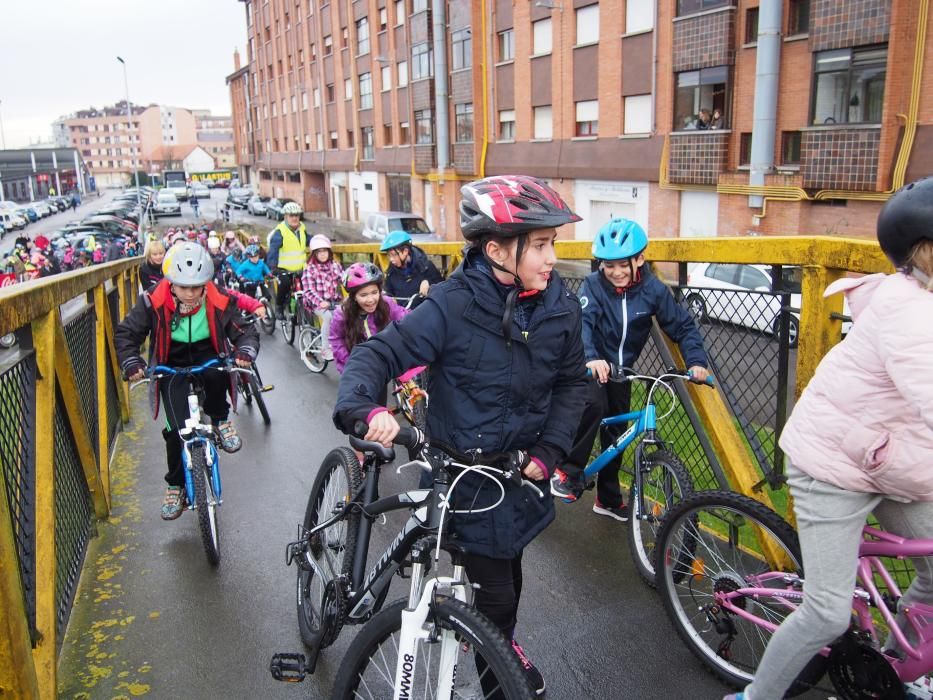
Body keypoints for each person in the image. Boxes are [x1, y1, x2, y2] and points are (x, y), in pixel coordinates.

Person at [333, 175, 590, 695]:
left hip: (517, 472)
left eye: (552, 244)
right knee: (496, 592)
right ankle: (499, 661)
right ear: (496, 250)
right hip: (461, 474)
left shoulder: (560, 308)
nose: (550, 258)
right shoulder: (452, 306)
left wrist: (549, 450)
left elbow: (571, 384)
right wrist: (365, 406)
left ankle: (498, 642)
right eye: (539, 245)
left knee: (508, 574)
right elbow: (378, 353)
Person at [723, 177, 933, 700]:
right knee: (827, 611)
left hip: (893, 461)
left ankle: (893, 666)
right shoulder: (909, 313)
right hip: (833, 465)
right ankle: (753, 697)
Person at [549, 218, 709, 519]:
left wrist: (696, 362)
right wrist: (591, 358)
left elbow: (683, 326)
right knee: (592, 404)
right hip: (589, 365)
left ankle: (608, 499)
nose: (616, 272)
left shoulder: (653, 290)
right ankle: (566, 471)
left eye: (623, 264)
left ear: (640, 259)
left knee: (617, 435)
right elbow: (584, 322)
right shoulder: (593, 286)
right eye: (608, 265)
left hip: (623, 371)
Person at [114, 243, 259, 520]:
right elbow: (127, 335)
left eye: (197, 287)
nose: (191, 294)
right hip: (171, 362)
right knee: (175, 431)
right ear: (170, 283)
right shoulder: (152, 301)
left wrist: (244, 351)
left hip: (208, 353)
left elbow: (245, 330)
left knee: (217, 374)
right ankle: (175, 485)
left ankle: (219, 420)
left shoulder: (218, 299)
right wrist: (132, 362)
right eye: (183, 287)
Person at [329, 262, 406, 376]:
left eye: (374, 292)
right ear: (354, 297)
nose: (370, 300)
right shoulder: (342, 314)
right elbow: (336, 340)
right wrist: (351, 364)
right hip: (356, 371)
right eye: (363, 295)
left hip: (381, 366)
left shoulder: (386, 304)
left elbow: (405, 317)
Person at [301, 234, 343, 362]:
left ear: (329, 252)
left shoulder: (335, 266)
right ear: (314, 254)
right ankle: (325, 349)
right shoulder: (310, 269)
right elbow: (308, 290)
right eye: (319, 252)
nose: (323, 254)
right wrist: (320, 302)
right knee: (328, 317)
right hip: (316, 303)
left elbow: (344, 278)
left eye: (325, 251)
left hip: (334, 300)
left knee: (346, 314)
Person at [265, 201, 309, 319]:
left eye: (297, 215)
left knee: (308, 284)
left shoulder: (301, 229)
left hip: (300, 267)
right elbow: (273, 250)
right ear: (285, 216)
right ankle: (279, 307)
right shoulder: (280, 232)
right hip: (283, 268)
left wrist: (321, 242)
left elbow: (308, 239)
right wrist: (272, 267)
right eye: (291, 215)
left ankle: (306, 310)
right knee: (284, 284)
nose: (295, 218)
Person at [380, 230, 443, 308]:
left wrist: (429, 283)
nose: (391, 259)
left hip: (424, 314)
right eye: (389, 255)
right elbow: (388, 291)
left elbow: (442, 288)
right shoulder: (391, 272)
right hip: (402, 316)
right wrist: (389, 299)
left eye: (394, 255)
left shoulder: (426, 267)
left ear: (405, 251)